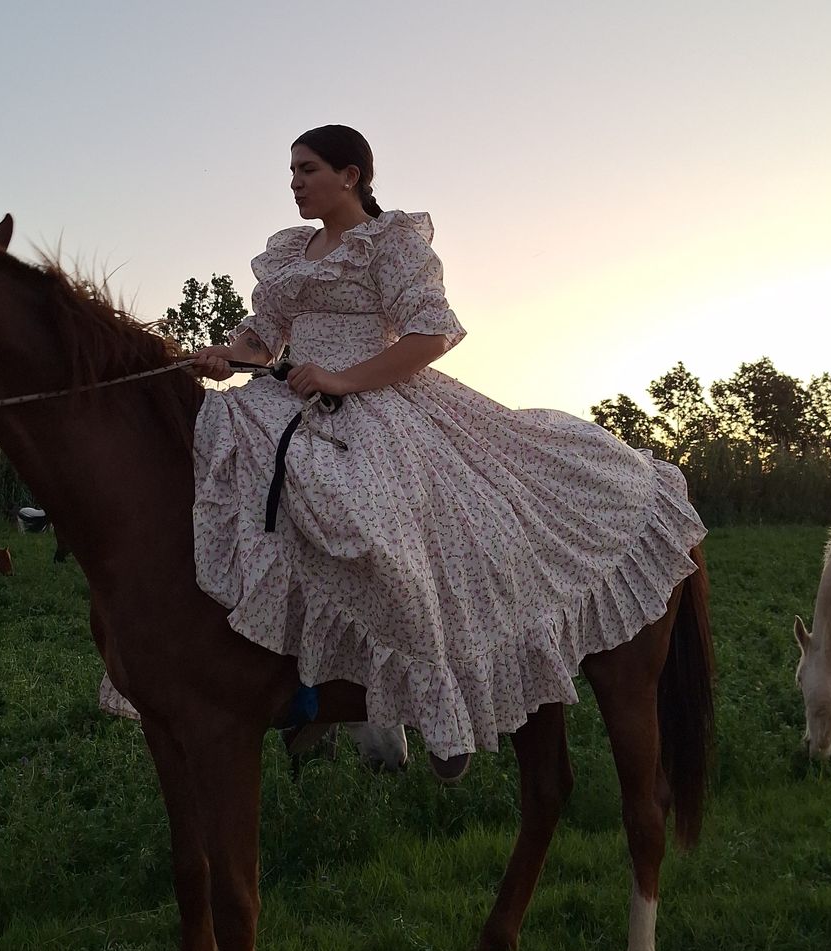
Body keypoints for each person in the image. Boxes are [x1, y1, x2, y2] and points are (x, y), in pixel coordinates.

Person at [189, 124, 706, 781]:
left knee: (369, 518)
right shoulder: (292, 252)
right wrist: (223, 356)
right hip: (290, 396)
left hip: (376, 399)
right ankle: (300, 677)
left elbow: (433, 333)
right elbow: (262, 338)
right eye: (291, 170)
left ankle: (439, 707)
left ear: (350, 175)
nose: (294, 181)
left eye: (308, 169)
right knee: (222, 466)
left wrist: (343, 378)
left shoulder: (390, 243)